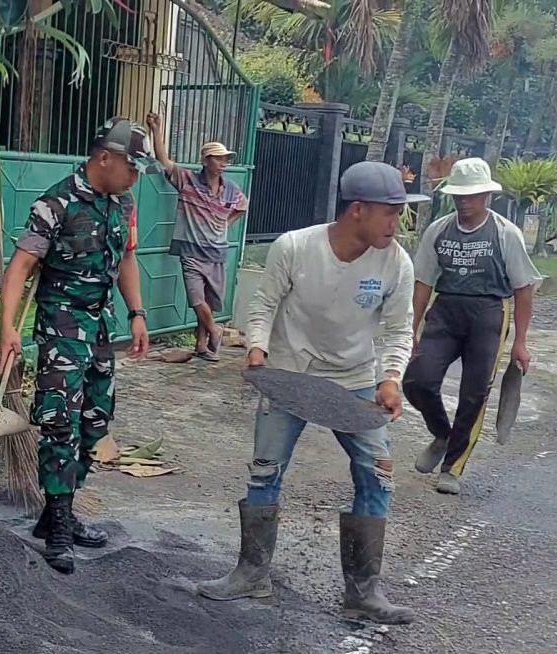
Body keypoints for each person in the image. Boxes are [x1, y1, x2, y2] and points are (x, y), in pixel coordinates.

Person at [196, 161, 429, 626]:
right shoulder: (295, 247)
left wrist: (391, 379)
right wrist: (257, 349)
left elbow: (401, 329)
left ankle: (363, 594)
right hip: (289, 374)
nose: (397, 223)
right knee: (265, 472)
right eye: (390, 212)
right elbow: (263, 304)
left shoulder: (396, 261)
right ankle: (251, 573)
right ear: (357, 210)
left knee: (377, 475)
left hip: (355, 379)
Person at [0, 117, 153, 574]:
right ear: (104, 157)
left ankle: (53, 515)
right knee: (59, 421)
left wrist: (137, 313)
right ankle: (61, 523)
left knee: (95, 421)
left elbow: (126, 259)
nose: (136, 175)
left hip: (100, 327)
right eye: (131, 166)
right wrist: (8, 329)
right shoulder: (56, 203)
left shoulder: (122, 203)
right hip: (61, 327)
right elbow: (21, 266)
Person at [403, 157, 542, 496]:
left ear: (487, 196)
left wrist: (520, 342)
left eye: (472, 195)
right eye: (459, 195)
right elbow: (423, 282)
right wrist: (411, 329)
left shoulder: (505, 233)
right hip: (446, 310)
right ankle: (442, 433)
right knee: (417, 379)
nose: (465, 201)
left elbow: (523, 288)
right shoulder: (439, 230)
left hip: (489, 313)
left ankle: (453, 466)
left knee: (474, 392)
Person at [146, 112, 249, 361]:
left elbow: (242, 206)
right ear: (206, 160)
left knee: (210, 301)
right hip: (191, 252)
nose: (224, 162)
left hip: (216, 252)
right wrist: (156, 130)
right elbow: (163, 161)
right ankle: (215, 329)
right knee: (196, 298)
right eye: (219, 158)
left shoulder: (231, 188)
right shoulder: (188, 180)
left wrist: (225, 222)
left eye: (226, 159)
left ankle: (201, 344)